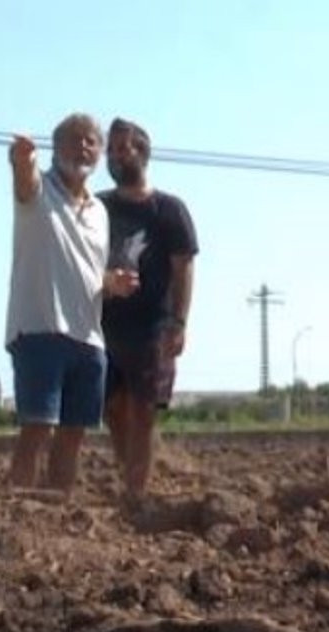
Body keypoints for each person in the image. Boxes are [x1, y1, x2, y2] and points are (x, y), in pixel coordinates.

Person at [3, 112, 138, 491]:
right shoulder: (39, 191)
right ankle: (15, 514)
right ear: (55, 147)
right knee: (38, 427)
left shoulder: (99, 212)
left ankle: (56, 516)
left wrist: (114, 282)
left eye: (91, 141)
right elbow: (24, 182)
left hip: (88, 338)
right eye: (73, 139)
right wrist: (22, 159)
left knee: (74, 434)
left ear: (98, 154)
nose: (83, 147)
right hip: (39, 329)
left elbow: (92, 271)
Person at [98, 117, 199, 498]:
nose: (115, 156)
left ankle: (136, 493)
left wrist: (179, 320)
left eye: (122, 148)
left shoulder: (169, 210)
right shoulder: (97, 207)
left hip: (152, 326)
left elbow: (183, 266)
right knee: (113, 409)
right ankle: (130, 476)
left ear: (142, 152)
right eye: (111, 150)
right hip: (103, 324)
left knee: (143, 410)